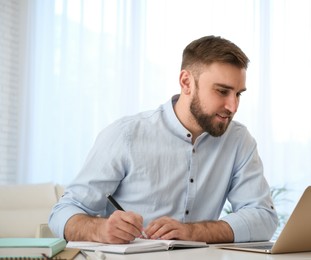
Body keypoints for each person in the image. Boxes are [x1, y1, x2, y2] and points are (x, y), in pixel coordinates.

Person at [49, 35, 278, 244]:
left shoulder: (238, 140)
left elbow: (263, 217)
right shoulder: (126, 135)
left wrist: (193, 233)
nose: (233, 106)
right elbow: (62, 213)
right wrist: (99, 229)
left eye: (238, 94)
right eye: (222, 91)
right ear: (186, 82)